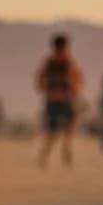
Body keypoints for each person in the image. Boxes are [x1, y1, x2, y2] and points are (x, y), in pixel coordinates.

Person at [35, 34, 84, 169]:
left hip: (51, 101)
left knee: (53, 131)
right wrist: (74, 92)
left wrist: (47, 91)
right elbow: (76, 81)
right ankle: (65, 149)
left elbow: (40, 79)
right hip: (64, 100)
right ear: (65, 46)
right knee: (68, 127)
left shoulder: (49, 62)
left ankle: (45, 156)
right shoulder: (67, 62)